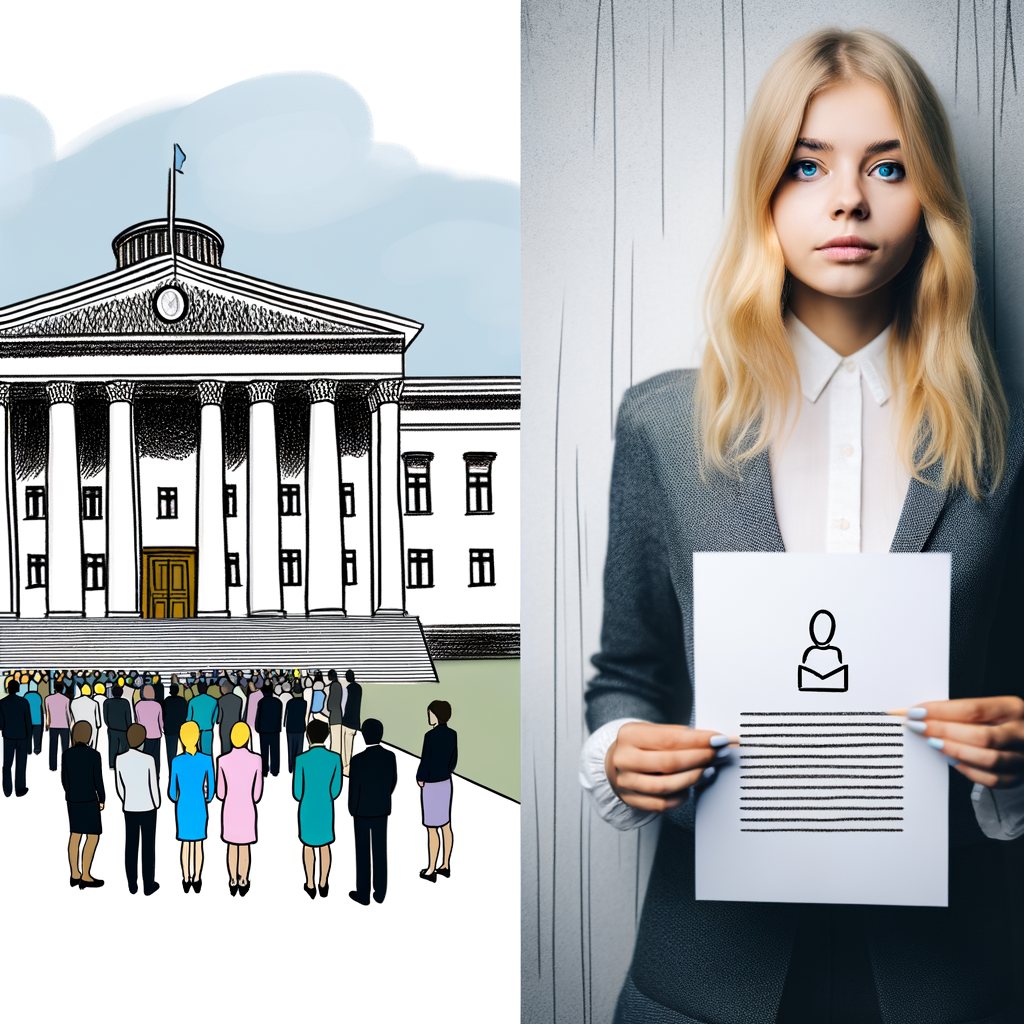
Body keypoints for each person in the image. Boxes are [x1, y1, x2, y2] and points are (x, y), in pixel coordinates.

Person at [579, 29, 1024, 1023]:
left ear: (930, 199)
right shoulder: (662, 425)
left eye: (888, 166)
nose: (848, 200)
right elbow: (628, 673)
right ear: (765, 195)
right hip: (705, 974)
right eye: (807, 165)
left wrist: (1017, 752)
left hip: (946, 978)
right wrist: (617, 752)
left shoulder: (1007, 444)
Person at [347, 718, 396, 905]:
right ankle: (380, 892)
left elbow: (354, 788)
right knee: (380, 850)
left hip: (361, 810)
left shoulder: (357, 760)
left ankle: (363, 893)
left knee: (362, 853)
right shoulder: (390, 756)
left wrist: (352, 809)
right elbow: (393, 782)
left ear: (364, 736)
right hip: (381, 808)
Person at [293, 718, 343, 898]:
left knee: (308, 845)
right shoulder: (335, 758)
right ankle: (324, 883)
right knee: (325, 845)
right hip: (325, 807)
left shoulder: (301, 759)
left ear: (307, 736)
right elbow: (336, 790)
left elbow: (297, 793)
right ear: (327, 736)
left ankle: (310, 883)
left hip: (307, 807)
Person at [216, 721, 263, 896]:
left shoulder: (222, 760)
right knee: (244, 846)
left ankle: (232, 880)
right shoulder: (257, 759)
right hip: (247, 806)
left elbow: (220, 793)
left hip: (229, 806)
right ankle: (243, 879)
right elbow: (257, 795)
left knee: (232, 845)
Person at [167, 721, 215, 893]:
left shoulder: (177, 761)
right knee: (198, 844)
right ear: (198, 737)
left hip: (183, 805)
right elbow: (212, 790)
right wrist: (206, 797)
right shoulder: (206, 759)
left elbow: (172, 792)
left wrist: (178, 795)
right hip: (199, 804)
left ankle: (186, 878)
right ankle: (197, 879)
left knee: (186, 844)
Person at [114, 723, 161, 895]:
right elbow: (153, 786)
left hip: (129, 807)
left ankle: (132, 885)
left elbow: (119, 787)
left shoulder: (119, 759)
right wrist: (157, 804)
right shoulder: (149, 759)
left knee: (131, 846)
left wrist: (126, 800)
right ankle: (148, 885)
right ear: (143, 740)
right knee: (148, 847)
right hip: (148, 807)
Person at [416, 700, 457, 882]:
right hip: (446, 782)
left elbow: (425, 760)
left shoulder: (429, 736)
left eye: (430, 713)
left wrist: (420, 778)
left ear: (436, 715)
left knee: (432, 828)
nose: (428, 716)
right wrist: (446, 771)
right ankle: (445, 864)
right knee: (446, 825)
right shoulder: (453, 734)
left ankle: (431, 868)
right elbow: (454, 759)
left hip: (431, 784)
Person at [62, 721, 105, 888]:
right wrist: (102, 798)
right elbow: (98, 781)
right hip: (89, 799)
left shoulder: (66, 754)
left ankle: (74, 874)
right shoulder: (94, 755)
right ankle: (86, 875)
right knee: (93, 835)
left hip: (73, 798)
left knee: (75, 834)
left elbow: (64, 780)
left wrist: (70, 794)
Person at [0, 678, 32, 797]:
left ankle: (7, 790)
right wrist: (29, 744)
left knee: (7, 764)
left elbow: (1, 723)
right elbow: (28, 723)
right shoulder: (24, 702)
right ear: (18, 689)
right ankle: (20, 789)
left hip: (8, 736)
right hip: (22, 737)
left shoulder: (2, 703)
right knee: (21, 764)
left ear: (8, 689)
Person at [134, 684, 164, 779]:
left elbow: (137, 721)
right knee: (155, 757)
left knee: (144, 755)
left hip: (143, 735)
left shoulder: (138, 705)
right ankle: (156, 775)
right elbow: (161, 722)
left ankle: (145, 774)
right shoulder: (157, 705)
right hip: (155, 734)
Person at [254, 679, 283, 778]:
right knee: (275, 751)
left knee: (264, 751)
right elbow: (280, 716)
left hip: (263, 730)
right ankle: (275, 771)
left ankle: (265, 771)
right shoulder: (278, 702)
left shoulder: (261, 702)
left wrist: (257, 727)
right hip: (275, 730)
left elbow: (258, 716)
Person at [103, 683, 134, 770]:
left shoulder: (107, 702)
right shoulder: (125, 702)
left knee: (112, 747)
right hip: (124, 729)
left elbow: (105, 717)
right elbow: (128, 717)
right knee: (124, 747)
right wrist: (129, 727)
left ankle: (112, 764)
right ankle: (124, 763)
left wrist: (109, 725)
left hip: (112, 729)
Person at [45, 681, 71, 773]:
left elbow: (48, 713)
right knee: (65, 747)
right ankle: (66, 765)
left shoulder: (48, 698)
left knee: (53, 747)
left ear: (54, 689)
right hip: (64, 725)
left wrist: (47, 724)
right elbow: (68, 713)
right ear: (63, 689)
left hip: (53, 725)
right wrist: (71, 724)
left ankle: (53, 766)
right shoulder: (66, 699)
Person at [186, 680, 218, 756]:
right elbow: (215, 719)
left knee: (194, 754)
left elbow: (188, 719)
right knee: (207, 754)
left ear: (198, 689)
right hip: (208, 731)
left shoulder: (192, 701)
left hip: (195, 731)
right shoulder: (214, 701)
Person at [340, 669, 362, 777]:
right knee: (350, 745)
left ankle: (345, 767)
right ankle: (348, 768)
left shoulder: (347, 689)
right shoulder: (359, 688)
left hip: (346, 720)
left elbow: (343, 705)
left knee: (344, 746)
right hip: (354, 721)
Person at [162, 681, 188, 767]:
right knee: (185, 750)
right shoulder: (183, 701)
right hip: (182, 728)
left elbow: (163, 715)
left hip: (170, 728)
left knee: (171, 752)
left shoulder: (167, 701)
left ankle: (172, 769)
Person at [69, 683, 101, 750]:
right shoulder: (95, 703)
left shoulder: (73, 702)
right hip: (92, 728)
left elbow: (72, 718)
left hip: (78, 728)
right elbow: (98, 723)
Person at [284, 683, 308, 773]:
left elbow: (286, 715)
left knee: (290, 748)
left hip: (290, 727)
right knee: (299, 748)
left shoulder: (289, 702)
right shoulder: (304, 703)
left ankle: (290, 767)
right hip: (300, 727)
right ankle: (297, 766)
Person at [217, 680, 243, 757]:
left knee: (225, 749)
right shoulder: (239, 699)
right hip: (236, 726)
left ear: (224, 689)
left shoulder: (221, 700)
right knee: (236, 746)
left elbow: (219, 718)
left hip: (225, 727)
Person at [325, 668, 344, 756]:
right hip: (338, 715)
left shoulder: (334, 685)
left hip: (334, 716)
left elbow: (331, 703)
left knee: (335, 740)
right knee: (337, 740)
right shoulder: (338, 685)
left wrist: (328, 706)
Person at [24, 681, 43, 756]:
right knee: (37, 736)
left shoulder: (26, 696)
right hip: (38, 720)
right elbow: (41, 709)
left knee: (28, 736)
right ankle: (37, 749)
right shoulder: (38, 696)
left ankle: (28, 749)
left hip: (28, 720)